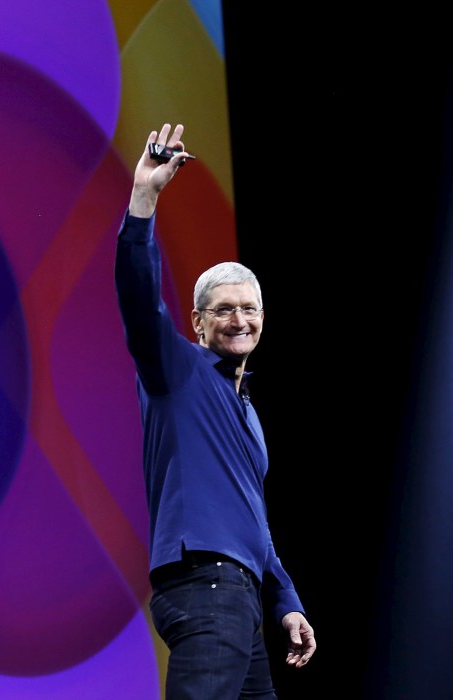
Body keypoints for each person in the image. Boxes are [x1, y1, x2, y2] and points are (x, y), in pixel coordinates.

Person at [114, 122, 316, 698]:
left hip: (243, 600)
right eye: (223, 310)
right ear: (198, 323)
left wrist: (286, 603)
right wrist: (144, 199)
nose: (240, 320)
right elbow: (137, 300)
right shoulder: (176, 371)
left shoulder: (249, 414)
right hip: (206, 584)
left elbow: (255, 524)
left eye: (249, 309)